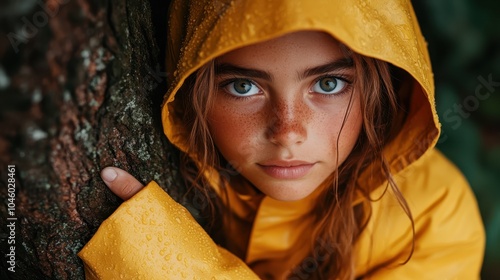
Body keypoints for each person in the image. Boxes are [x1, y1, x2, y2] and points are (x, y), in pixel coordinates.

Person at [78, 0, 485, 279]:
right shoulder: (183, 175)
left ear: (378, 89)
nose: (288, 131)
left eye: (328, 83)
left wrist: (161, 262)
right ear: (190, 90)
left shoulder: (436, 212)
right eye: (242, 86)